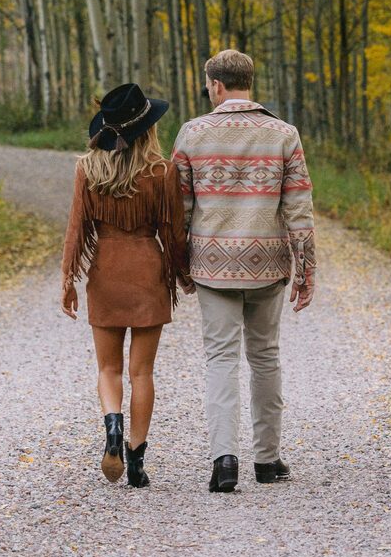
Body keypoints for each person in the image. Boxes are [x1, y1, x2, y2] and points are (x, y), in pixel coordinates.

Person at [172, 48, 316, 494]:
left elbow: (179, 209)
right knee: (265, 356)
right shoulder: (284, 134)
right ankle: (268, 461)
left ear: (215, 85)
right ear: (248, 82)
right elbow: (299, 208)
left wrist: (179, 265)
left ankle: (224, 461)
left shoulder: (193, 134)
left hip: (213, 265)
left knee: (220, 358)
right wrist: (306, 269)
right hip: (268, 263)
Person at [61, 82, 191, 488]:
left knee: (108, 367)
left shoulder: (87, 168)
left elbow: (76, 228)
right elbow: (173, 233)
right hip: (147, 273)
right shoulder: (161, 171)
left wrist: (68, 279)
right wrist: (183, 276)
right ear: (147, 129)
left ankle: (112, 429)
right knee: (143, 372)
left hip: (105, 272)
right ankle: (135, 458)